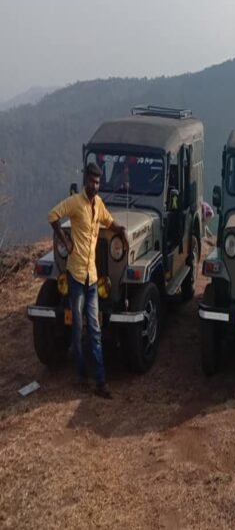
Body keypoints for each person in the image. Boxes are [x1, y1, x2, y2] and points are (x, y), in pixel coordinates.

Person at [48, 162, 128, 399]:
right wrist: (64, 240)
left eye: (98, 181)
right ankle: (82, 373)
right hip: (75, 276)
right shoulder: (75, 202)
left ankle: (101, 381)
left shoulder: (98, 204)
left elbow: (108, 221)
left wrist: (120, 230)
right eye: (92, 181)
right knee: (77, 327)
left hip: (92, 278)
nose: (95, 185)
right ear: (85, 180)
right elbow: (52, 215)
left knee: (94, 328)